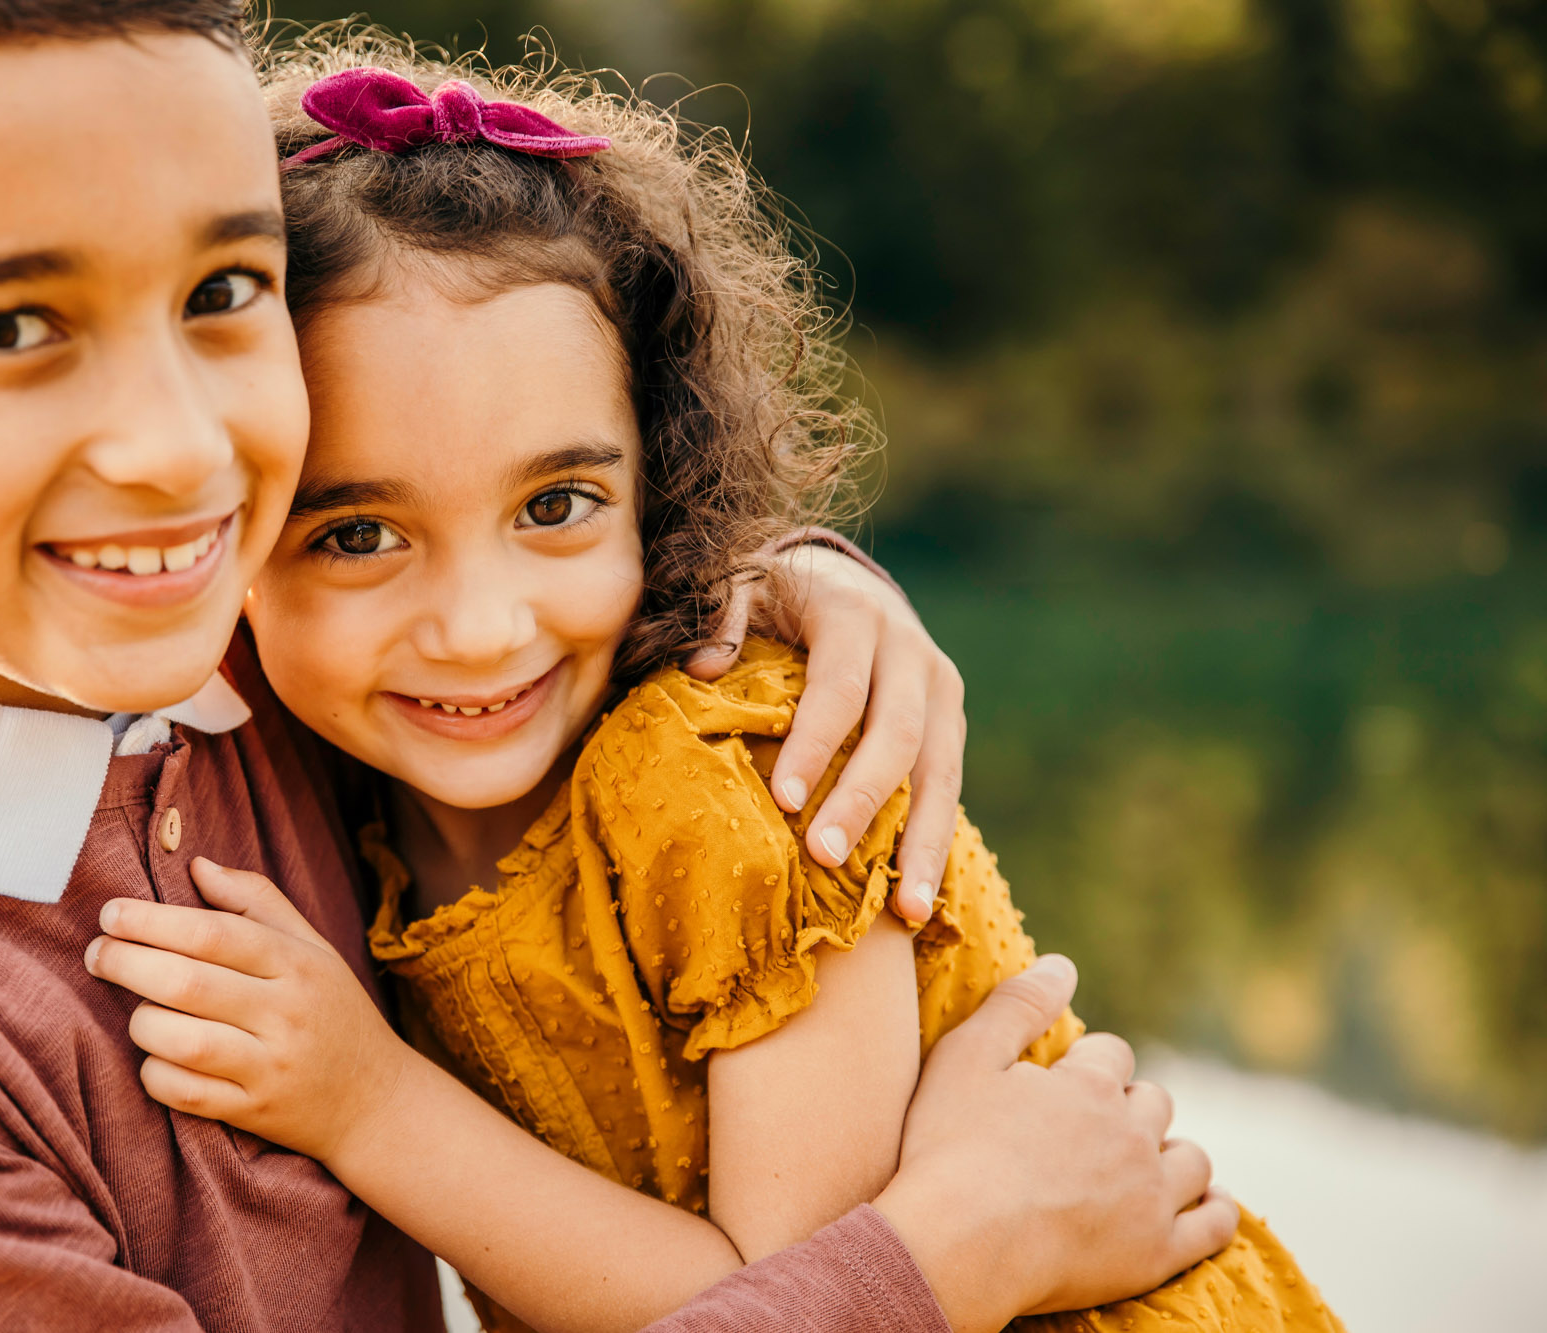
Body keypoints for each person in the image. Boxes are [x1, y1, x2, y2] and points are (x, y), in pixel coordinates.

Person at [0, 2, 1223, 1328]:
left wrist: (774, 580)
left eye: (223, 289)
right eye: (12, 327)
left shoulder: (211, 647)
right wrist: (938, 1264)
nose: (179, 450)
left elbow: (481, 500)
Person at [85, 44, 1338, 1333]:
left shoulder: (730, 779)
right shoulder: (321, 767)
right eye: (359, 535)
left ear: (660, 488)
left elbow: (801, 1299)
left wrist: (366, 1103)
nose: (477, 629)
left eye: (557, 506)